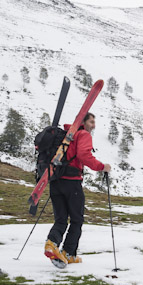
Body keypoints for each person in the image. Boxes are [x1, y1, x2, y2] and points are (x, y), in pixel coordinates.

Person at [44, 112, 111, 266]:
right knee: (76, 219)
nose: (93, 125)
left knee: (61, 219)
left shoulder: (65, 136)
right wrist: (102, 167)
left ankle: (51, 243)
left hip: (55, 181)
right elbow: (84, 155)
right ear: (83, 122)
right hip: (72, 182)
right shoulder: (83, 135)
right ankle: (68, 253)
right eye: (91, 121)